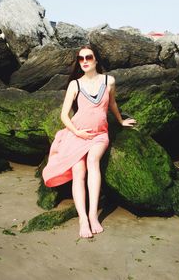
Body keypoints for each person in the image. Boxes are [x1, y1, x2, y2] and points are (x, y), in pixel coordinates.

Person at [42, 45, 136, 238]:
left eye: (88, 57)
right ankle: (83, 219)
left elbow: (112, 103)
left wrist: (120, 120)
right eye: (81, 58)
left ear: (96, 60)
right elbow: (64, 115)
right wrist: (77, 131)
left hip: (99, 135)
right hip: (77, 134)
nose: (84, 61)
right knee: (78, 170)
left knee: (93, 161)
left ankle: (93, 215)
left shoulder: (109, 81)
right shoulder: (75, 85)